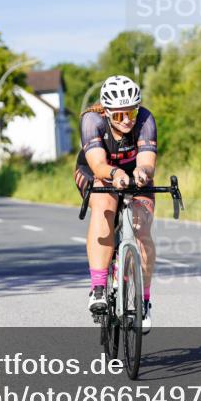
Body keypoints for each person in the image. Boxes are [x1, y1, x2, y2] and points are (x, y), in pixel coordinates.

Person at [73, 75, 157, 334]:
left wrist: (142, 173)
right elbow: (98, 164)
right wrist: (115, 174)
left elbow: (147, 161)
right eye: (119, 116)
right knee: (105, 206)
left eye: (130, 112)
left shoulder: (145, 118)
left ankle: (144, 302)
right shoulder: (91, 120)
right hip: (96, 171)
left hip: (133, 173)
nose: (127, 120)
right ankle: (98, 288)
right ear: (107, 112)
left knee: (141, 229)